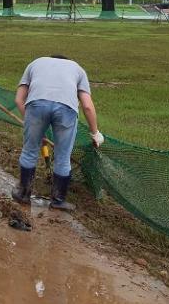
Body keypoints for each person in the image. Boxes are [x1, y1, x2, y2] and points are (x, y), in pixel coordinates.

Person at [13, 55, 104, 211]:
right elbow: (87, 106)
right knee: (63, 157)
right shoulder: (78, 69)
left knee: (29, 151)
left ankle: (23, 194)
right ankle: (58, 200)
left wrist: (32, 124)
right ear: (67, 61)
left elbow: (19, 100)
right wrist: (95, 133)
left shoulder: (35, 63)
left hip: (36, 106)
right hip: (66, 109)